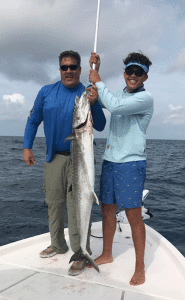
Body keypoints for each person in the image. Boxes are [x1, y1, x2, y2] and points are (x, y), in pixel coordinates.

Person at [23, 50, 106, 276]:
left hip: (80, 160)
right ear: (60, 69)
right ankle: (58, 244)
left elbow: (100, 125)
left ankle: (81, 252)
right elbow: (33, 120)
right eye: (64, 67)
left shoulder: (88, 92)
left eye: (73, 67)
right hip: (54, 158)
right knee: (54, 202)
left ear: (80, 69)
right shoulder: (46, 92)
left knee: (79, 204)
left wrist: (95, 102)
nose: (68, 71)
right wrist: (26, 146)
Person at [88, 52, 153, 285]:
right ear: (124, 73)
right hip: (110, 161)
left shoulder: (145, 99)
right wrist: (95, 83)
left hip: (131, 163)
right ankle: (107, 253)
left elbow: (114, 105)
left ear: (145, 76)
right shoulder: (116, 94)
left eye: (138, 72)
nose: (133, 76)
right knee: (106, 210)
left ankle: (140, 266)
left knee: (133, 215)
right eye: (129, 71)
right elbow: (99, 97)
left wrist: (98, 79)